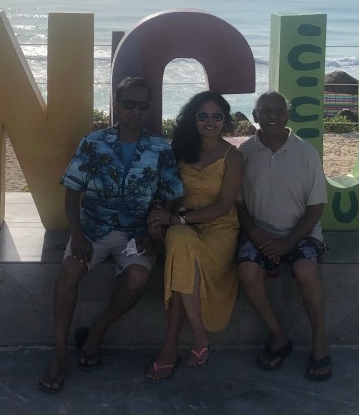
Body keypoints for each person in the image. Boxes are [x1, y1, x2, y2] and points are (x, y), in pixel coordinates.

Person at [39, 76, 183, 394]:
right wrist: (77, 235)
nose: (136, 112)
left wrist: (155, 230)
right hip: (93, 229)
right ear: (116, 105)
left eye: (142, 106)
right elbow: (72, 193)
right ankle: (60, 352)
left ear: (149, 108)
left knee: (138, 279)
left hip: (136, 233)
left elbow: (172, 193)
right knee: (70, 270)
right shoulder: (94, 143)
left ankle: (96, 332)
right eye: (129, 104)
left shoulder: (160, 148)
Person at [236, 91, 332, 381]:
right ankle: (278, 337)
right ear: (255, 116)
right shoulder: (244, 153)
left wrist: (288, 243)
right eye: (265, 111)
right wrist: (256, 234)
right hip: (259, 233)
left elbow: (315, 209)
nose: (273, 116)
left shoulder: (307, 153)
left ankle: (319, 342)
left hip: (301, 233)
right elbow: (239, 204)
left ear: (287, 116)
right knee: (247, 271)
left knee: (305, 270)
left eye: (279, 111)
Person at [146, 91, 242, 379]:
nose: (210, 121)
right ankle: (200, 338)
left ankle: (170, 346)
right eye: (203, 115)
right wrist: (160, 216)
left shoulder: (233, 156)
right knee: (179, 239)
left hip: (219, 229)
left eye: (217, 116)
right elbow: (170, 193)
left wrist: (176, 219)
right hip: (183, 225)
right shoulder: (180, 149)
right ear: (193, 118)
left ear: (224, 120)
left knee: (180, 250)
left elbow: (224, 206)